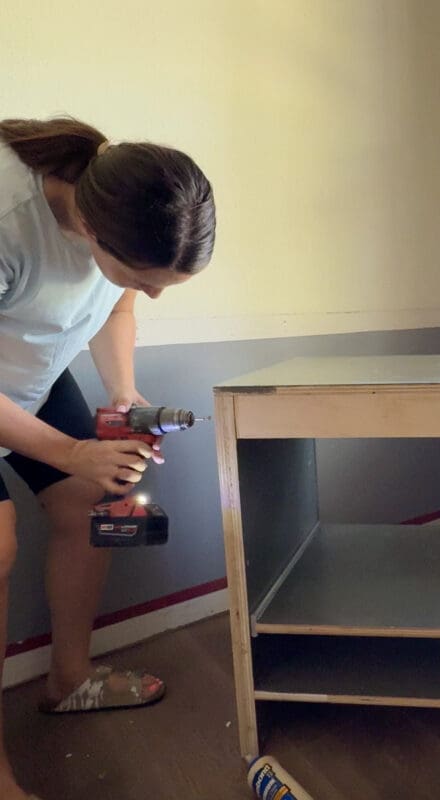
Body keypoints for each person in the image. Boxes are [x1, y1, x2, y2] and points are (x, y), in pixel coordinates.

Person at [0, 116, 216, 800]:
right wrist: (70, 450)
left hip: (30, 377)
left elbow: (117, 308)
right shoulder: (9, 218)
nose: (153, 294)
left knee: (92, 501)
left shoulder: (115, 202)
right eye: (149, 279)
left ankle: (69, 680)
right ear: (93, 233)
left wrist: (123, 391)